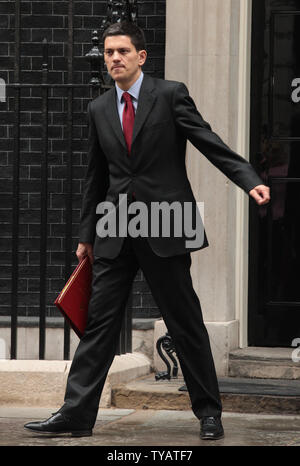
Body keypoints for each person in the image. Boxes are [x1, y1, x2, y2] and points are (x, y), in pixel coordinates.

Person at [24, 21, 270, 440]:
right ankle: (75, 414)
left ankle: (209, 412)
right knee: (98, 325)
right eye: (108, 53)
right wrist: (87, 234)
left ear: (141, 57)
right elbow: (95, 176)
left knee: (185, 322)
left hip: (167, 225)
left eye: (122, 51)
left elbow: (207, 140)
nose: (114, 58)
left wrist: (248, 179)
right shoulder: (100, 108)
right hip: (115, 228)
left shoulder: (170, 94)